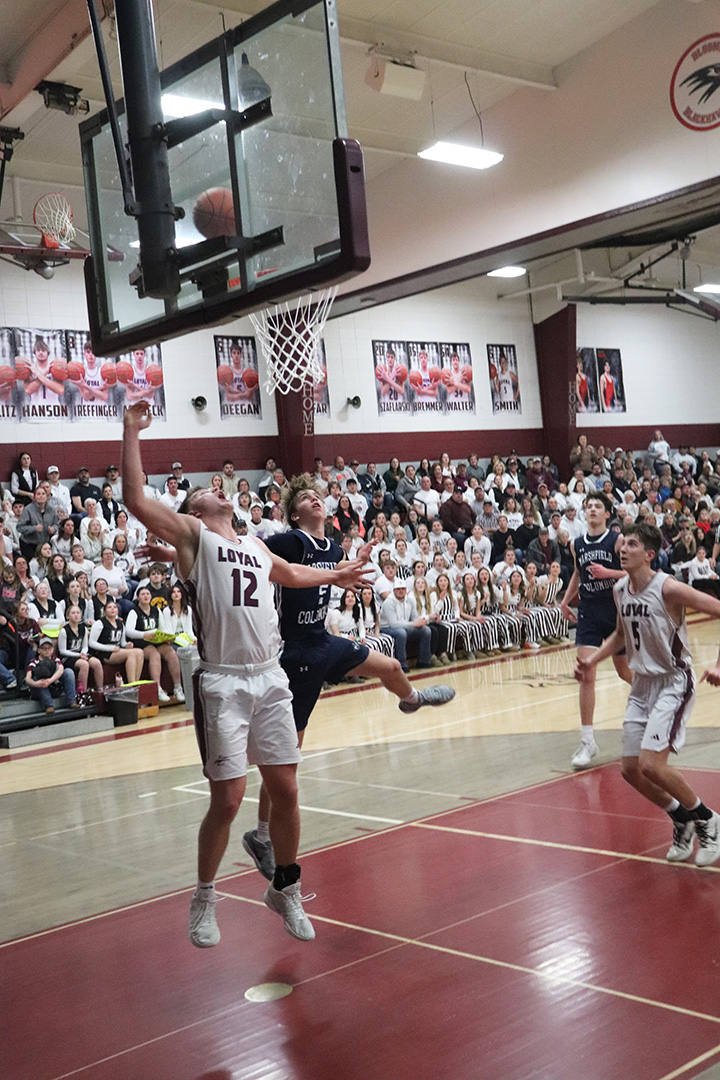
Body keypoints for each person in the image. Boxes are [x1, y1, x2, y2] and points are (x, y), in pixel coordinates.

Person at [122, 404, 380, 948]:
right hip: (224, 681)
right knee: (230, 799)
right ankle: (204, 896)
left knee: (284, 788)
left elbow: (292, 574)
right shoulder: (194, 535)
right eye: (204, 490)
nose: (215, 489)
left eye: (217, 488)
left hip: (270, 674)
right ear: (196, 507)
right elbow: (136, 499)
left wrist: (338, 573)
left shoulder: (255, 546)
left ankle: (285, 888)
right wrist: (131, 431)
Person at [243, 477, 455, 879]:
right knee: (284, 764)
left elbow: (327, 569)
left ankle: (411, 699)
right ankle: (262, 835)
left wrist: (349, 567)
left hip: (324, 641)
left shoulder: (330, 548)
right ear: (293, 514)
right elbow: (260, 559)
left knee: (391, 666)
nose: (314, 499)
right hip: (295, 653)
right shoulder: (289, 541)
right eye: (305, 498)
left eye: (318, 496)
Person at [575, 522, 720, 866]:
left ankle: (708, 819)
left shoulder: (669, 588)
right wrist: (592, 659)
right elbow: (621, 635)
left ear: (650, 554)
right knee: (630, 769)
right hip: (642, 685)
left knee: (652, 764)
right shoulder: (621, 589)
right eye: (622, 544)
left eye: (632, 544)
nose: (623, 549)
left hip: (673, 680)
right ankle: (681, 817)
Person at [561, 492, 632, 769]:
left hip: (615, 611)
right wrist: (566, 600)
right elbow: (578, 573)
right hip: (589, 612)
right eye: (588, 506)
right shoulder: (576, 544)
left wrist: (609, 573)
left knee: (625, 671)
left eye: (597, 506)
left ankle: (653, 704)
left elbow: (634, 571)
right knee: (586, 673)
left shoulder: (617, 541)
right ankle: (588, 740)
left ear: (607, 513)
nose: (592, 509)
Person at [25, 636, 77, 713]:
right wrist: (36, 683)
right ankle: (49, 705)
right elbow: (27, 679)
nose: (47, 651)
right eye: (44, 649)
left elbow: (61, 669)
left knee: (68, 672)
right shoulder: (33, 662)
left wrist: (50, 680)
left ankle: (71, 701)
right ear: (39, 650)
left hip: (53, 686)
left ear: (52, 650)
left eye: (49, 648)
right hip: (39, 689)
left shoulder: (55, 659)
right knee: (40, 678)